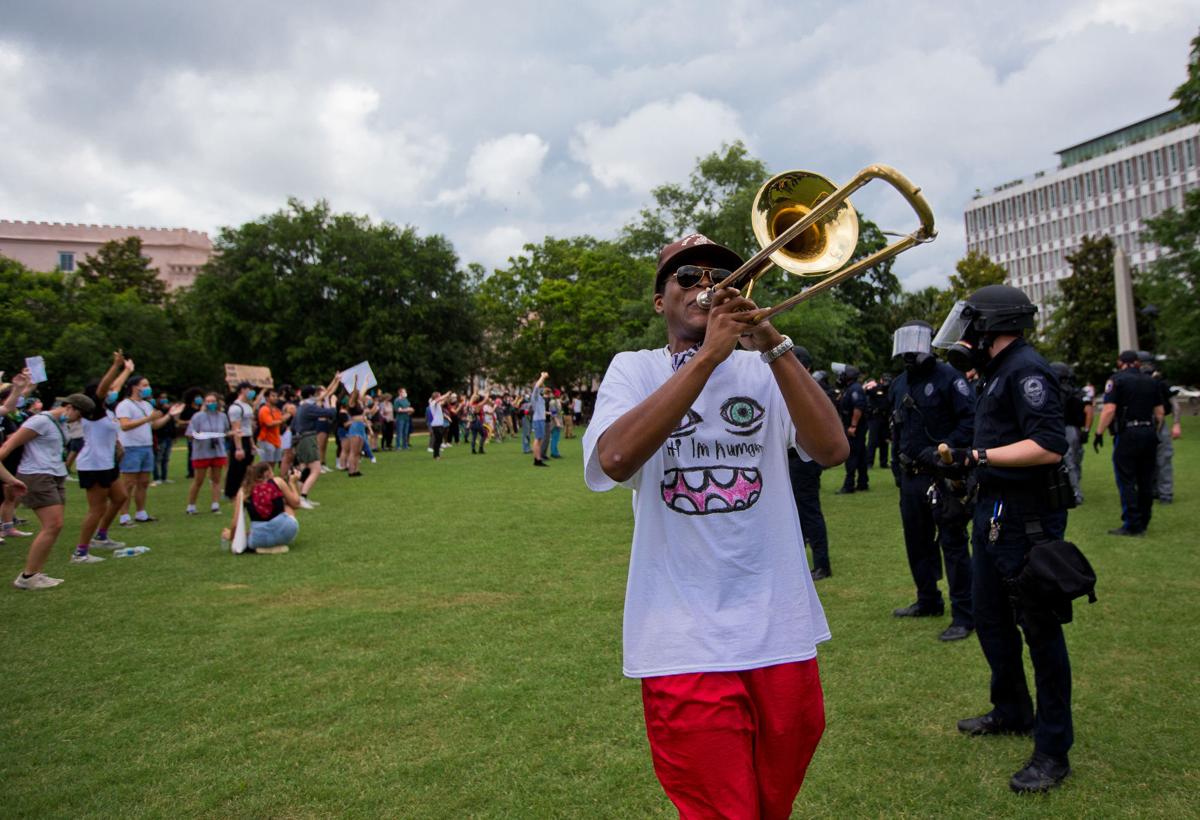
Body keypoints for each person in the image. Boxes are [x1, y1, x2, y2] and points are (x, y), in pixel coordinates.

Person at [583, 234, 848, 817]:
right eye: (688, 277)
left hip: (780, 629)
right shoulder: (634, 369)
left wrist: (772, 341)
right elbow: (615, 459)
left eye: (723, 277)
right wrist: (708, 358)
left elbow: (830, 449)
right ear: (661, 302)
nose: (707, 286)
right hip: (681, 638)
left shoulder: (766, 369)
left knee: (770, 806)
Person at [932, 285, 1075, 793]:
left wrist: (980, 458)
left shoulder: (1026, 370)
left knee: (1039, 631)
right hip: (992, 511)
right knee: (992, 621)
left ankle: (1053, 749)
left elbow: (1049, 446)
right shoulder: (997, 372)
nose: (963, 333)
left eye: (969, 323)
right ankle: (1012, 709)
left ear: (988, 326)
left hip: (1025, 519)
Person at [888, 320, 976, 641]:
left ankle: (965, 615)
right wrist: (897, 466)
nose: (909, 351)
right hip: (911, 477)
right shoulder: (899, 384)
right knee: (917, 542)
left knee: (952, 544)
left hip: (943, 475)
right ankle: (928, 600)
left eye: (915, 343)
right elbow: (896, 428)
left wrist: (943, 452)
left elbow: (969, 421)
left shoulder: (949, 379)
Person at [0, 393, 95, 588]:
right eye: (81, 415)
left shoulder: (60, 423)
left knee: (55, 526)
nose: (80, 420)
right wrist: (8, 477)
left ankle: (35, 573)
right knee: (53, 525)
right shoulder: (40, 421)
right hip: (37, 475)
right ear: (70, 407)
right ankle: (28, 577)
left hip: (55, 475)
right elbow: (9, 445)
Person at [1092, 350, 1164, 536]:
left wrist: (1099, 432)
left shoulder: (1117, 380)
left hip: (1128, 433)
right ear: (1137, 363)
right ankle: (1144, 519)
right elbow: (1160, 413)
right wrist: (1152, 431)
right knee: (1145, 479)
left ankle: (1132, 523)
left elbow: (1109, 410)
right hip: (1148, 431)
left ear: (1121, 362)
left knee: (1126, 479)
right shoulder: (1151, 381)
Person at [76, 352, 136, 559]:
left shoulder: (108, 410)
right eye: (108, 391)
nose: (113, 392)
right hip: (93, 465)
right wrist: (115, 366)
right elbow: (104, 388)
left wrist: (127, 371)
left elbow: (113, 387)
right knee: (97, 509)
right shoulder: (93, 412)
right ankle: (80, 552)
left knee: (120, 498)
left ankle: (101, 537)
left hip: (107, 464)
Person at [787, 346, 833, 580]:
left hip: (803, 460)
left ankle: (822, 564)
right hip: (792, 460)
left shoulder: (809, 391)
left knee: (809, 510)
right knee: (797, 510)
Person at [115, 374, 182, 526]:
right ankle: (124, 516)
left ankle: (141, 513)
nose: (148, 388)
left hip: (146, 446)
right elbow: (125, 425)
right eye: (144, 385)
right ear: (134, 387)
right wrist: (147, 419)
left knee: (144, 482)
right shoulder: (125, 405)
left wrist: (169, 416)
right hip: (131, 448)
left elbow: (154, 425)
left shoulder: (146, 405)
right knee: (128, 483)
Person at [221, 462, 302, 554]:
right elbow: (296, 503)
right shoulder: (277, 481)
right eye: (272, 472)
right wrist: (292, 483)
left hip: (258, 539)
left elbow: (235, 524)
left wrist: (232, 536)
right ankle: (276, 545)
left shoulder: (243, 491)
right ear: (266, 473)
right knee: (287, 506)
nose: (273, 474)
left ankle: (259, 548)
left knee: (257, 531)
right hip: (288, 531)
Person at [292, 374, 340, 507]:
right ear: (312, 395)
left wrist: (335, 380)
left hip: (301, 439)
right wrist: (333, 403)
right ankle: (302, 497)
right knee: (316, 469)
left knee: (306, 469)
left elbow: (325, 394)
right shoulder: (309, 407)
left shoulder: (304, 404)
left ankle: (300, 497)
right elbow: (331, 413)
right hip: (307, 439)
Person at [1050, 362, 1092, 506]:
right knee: (1076, 460)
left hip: (1063, 429)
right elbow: (1089, 411)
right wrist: (1086, 430)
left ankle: (1075, 493)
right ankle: (1076, 488)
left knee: (1069, 463)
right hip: (1076, 429)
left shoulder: (1056, 391)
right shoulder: (1077, 391)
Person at [186, 392, 231, 514]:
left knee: (216, 479)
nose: (210, 403)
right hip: (202, 452)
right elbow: (190, 433)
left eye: (213, 401)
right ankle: (191, 505)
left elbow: (226, 431)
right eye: (208, 401)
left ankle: (215, 504)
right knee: (198, 480)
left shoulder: (222, 416)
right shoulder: (198, 416)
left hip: (217, 451)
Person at [836, 365, 868, 493]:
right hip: (855, 427)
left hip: (855, 428)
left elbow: (858, 408)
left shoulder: (855, 389)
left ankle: (849, 485)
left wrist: (853, 426)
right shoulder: (850, 388)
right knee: (861, 455)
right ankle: (862, 482)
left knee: (852, 455)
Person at [224, 382, 258, 499]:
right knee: (236, 467)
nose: (252, 392)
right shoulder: (235, 408)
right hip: (239, 439)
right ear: (243, 390)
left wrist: (252, 443)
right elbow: (236, 429)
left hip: (247, 438)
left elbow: (248, 427)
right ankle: (231, 492)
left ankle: (243, 490)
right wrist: (239, 448)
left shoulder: (247, 406)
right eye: (250, 389)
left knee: (246, 467)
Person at [1152, 368, 1181, 505]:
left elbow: (1175, 404)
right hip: (1144, 423)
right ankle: (1154, 490)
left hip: (1160, 422)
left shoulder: (1162, 383)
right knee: (1147, 460)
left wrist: (1176, 424)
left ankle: (1165, 494)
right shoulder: (1137, 381)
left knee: (1163, 459)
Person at [255, 387, 290, 467]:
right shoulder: (264, 409)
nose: (275, 398)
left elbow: (280, 421)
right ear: (267, 398)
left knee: (273, 463)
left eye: (276, 396)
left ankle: (269, 478)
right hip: (266, 439)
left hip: (276, 439)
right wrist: (283, 420)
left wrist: (288, 414)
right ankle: (259, 477)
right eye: (273, 396)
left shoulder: (276, 410)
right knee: (266, 463)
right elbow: (269, 423)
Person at [864, 373, 891, 469]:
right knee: (872, 441)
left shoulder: (890, 390)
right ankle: (869, 462)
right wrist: (868, 385)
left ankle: (883, 462)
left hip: (885, 419)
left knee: (885, 441)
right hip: (875, 418)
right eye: (885, 380)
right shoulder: (875, 388)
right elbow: (865, 391)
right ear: (881, 380)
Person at [151, 391, 178, 486]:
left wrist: (174, 435)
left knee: (166, 458)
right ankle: (156, 477)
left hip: (168, 437)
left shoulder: (168, 410)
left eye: (165, 397)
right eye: (162, 398)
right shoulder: (155, 411)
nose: (164, 400)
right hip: (160, 437)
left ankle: (164, 477)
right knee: (158, 458)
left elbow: (172, 423)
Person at [530, 372, 550, 467]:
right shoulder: (535, 396)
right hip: (538, 420)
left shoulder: (540, 397)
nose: (543, 387)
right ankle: (537, 460)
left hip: (540, 419)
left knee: (540, 440)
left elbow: (541, 387)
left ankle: (538, 458)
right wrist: (542, 376)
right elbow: (537, 386)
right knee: (538, 440)